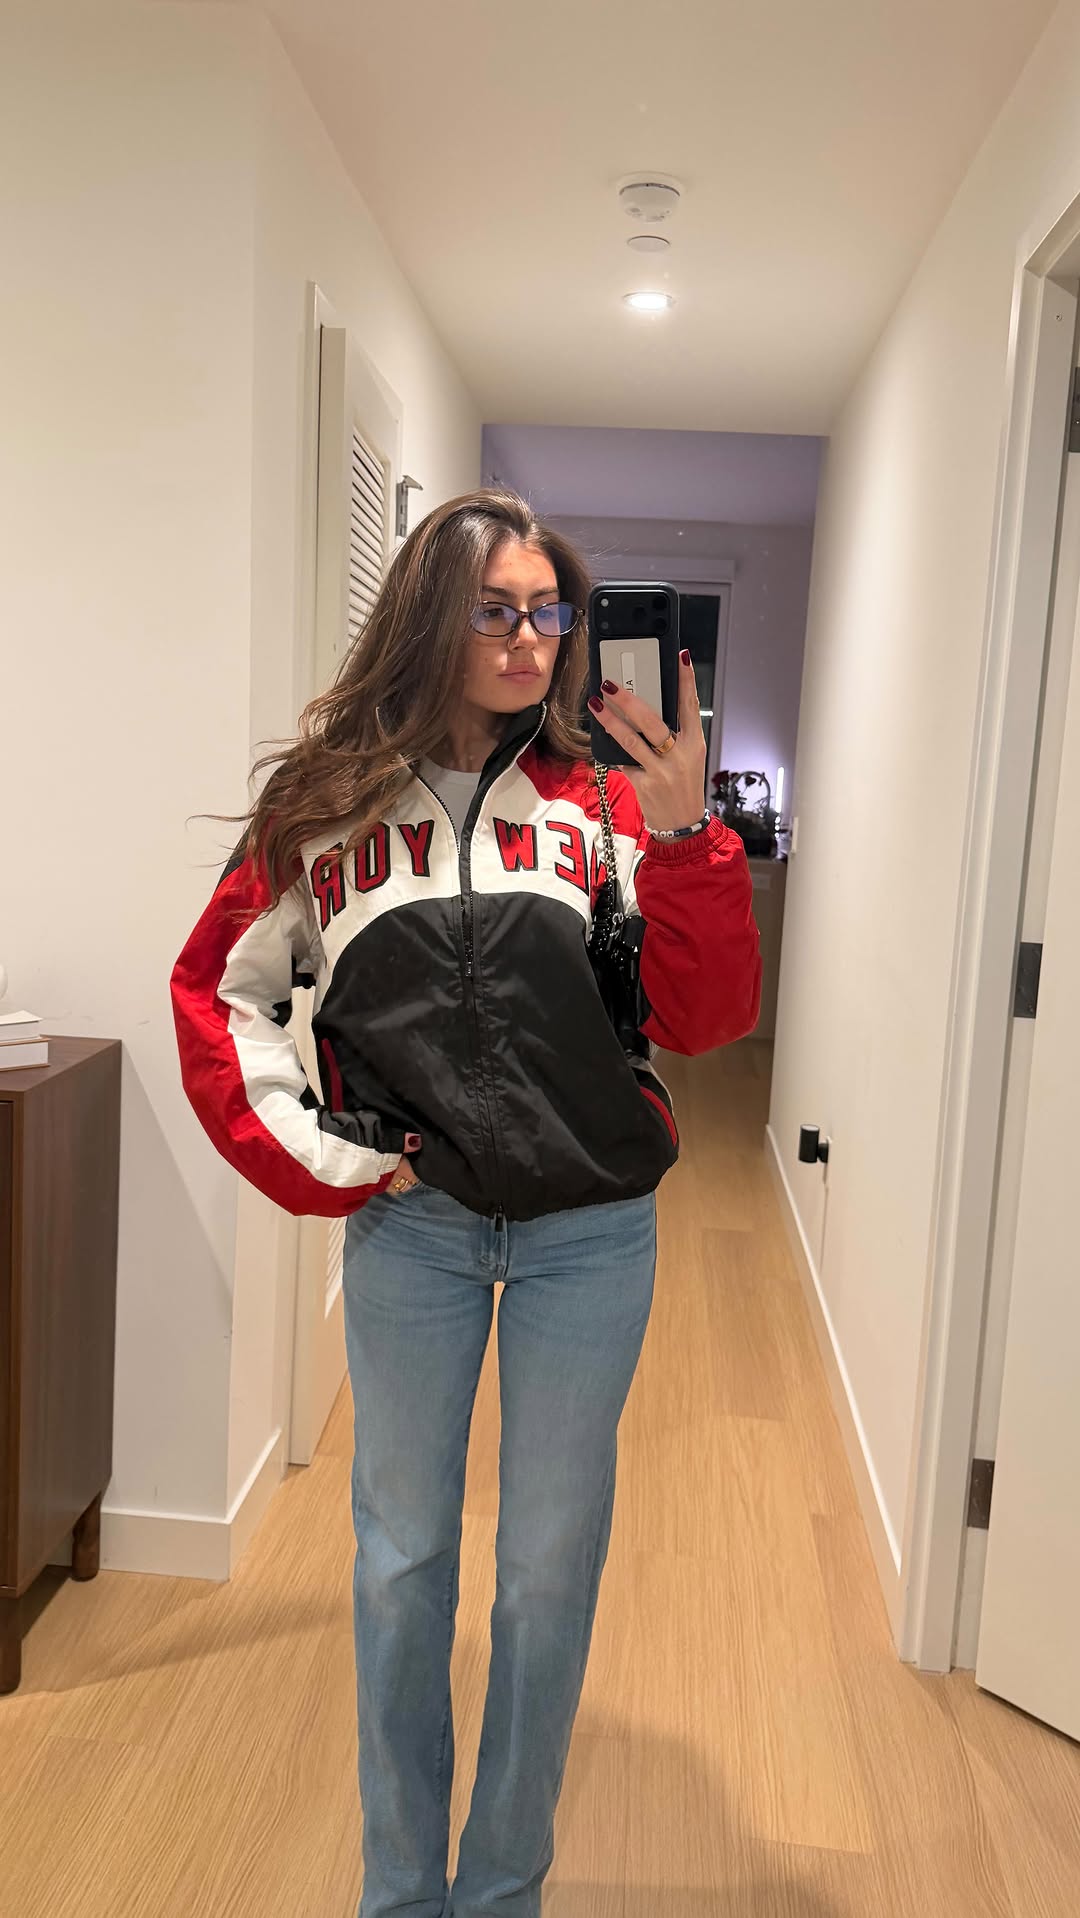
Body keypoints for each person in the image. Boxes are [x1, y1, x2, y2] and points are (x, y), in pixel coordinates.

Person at [170, 488, 761, 1918]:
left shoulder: (604, 803)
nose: (528, 637)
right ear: (430, 613)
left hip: (590, 1234)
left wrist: (687, 839)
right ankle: (399, 1891)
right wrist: (333, 1159)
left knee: (547, 1573)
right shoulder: (323, 810)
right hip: (416, 1232)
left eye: (549, 611)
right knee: (402, 1564)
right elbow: (220, 998)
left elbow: (707, 1019)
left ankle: (500, 1890)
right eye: (495, 607)